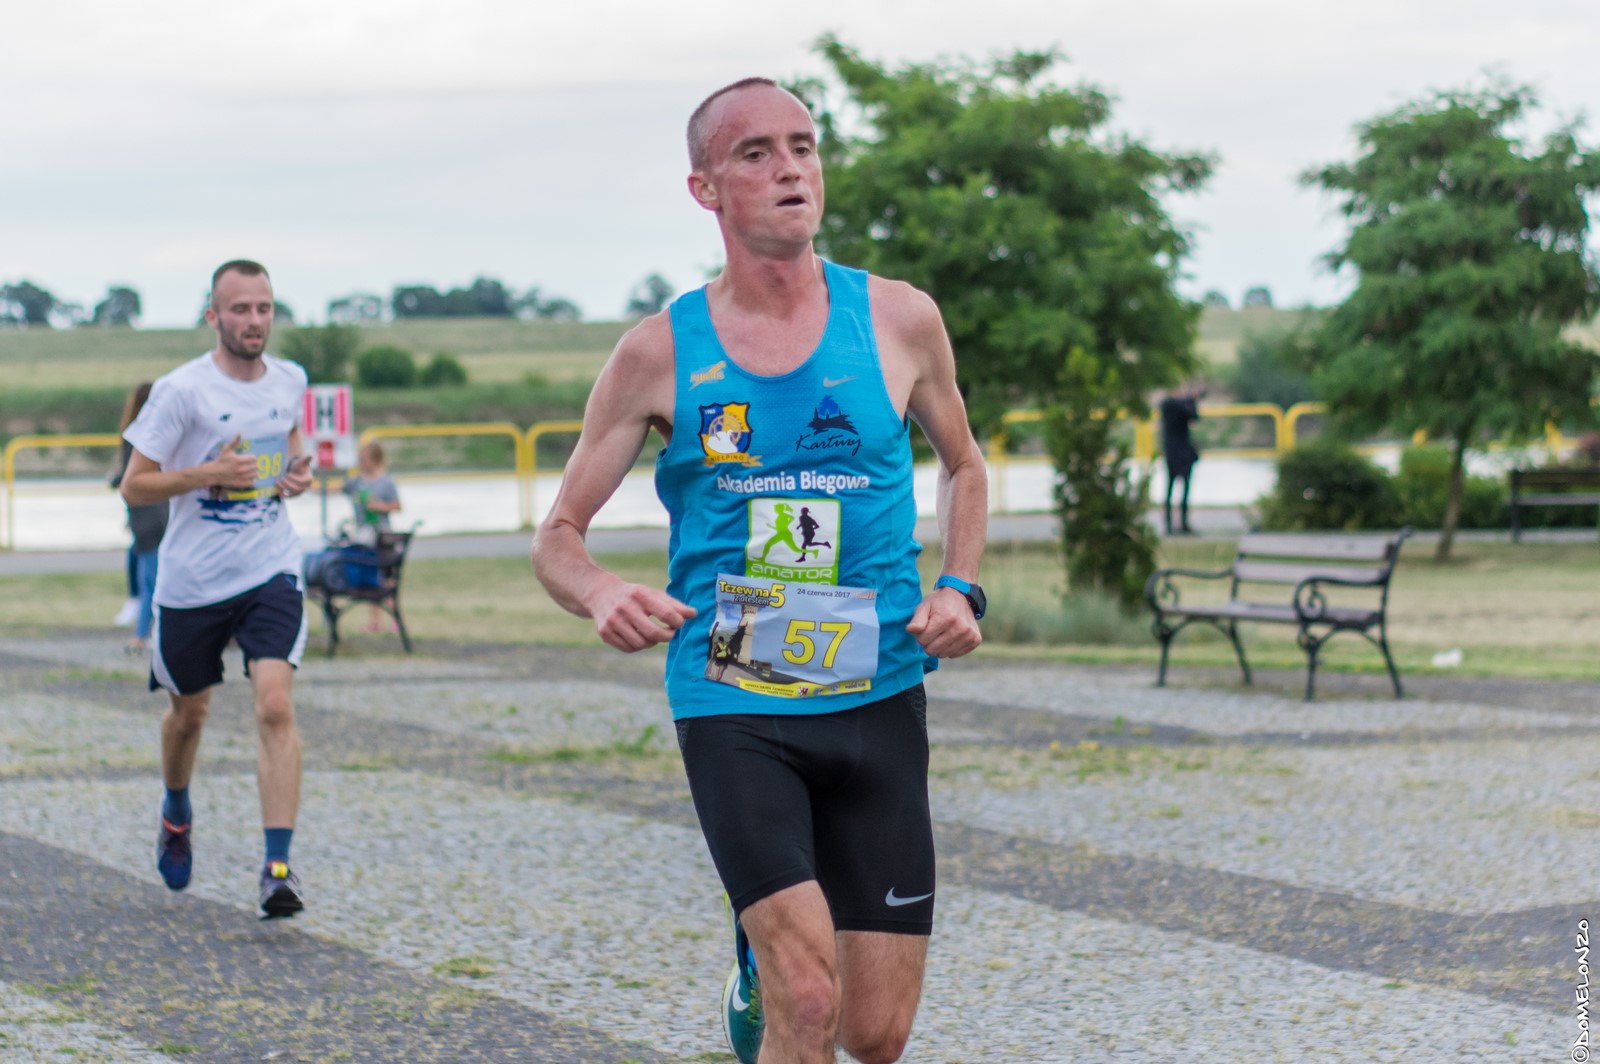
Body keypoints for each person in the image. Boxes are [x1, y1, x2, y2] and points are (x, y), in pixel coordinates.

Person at [532, 78, 988, 1064]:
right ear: (705, 189)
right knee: (810, 1000)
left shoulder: (900, 318)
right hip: (732, 695)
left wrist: (959, 585)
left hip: (878, 688)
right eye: (756, 153)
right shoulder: (658, 351)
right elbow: (558, 533)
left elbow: (964, 464)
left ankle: (755, 963)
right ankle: (771, 968)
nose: (790, 168)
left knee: (876, 1033)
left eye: (803, 145)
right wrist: (601, 590)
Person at [120, 259, 315, 919]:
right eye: (240, 309)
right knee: (189, 716)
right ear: (213, 316)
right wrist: (208, 473)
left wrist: (297, 474)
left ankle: (277, 870)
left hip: (270, 566)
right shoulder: (180, 392)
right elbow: (135, 485)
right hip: (193, 580)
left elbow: (292, 446)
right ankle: (176, 812)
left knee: (275, 706)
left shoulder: (291, 380)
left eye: (264, 308)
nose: (254, 321)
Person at [109, 382, 168, 653]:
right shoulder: (158, 434)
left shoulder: (132, 435)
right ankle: (143, 626)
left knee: (149, 577)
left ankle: (141, 631)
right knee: (149, 573)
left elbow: (127, 478)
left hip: (144, 515)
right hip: (158, 512)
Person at [340, 440, 402, 631]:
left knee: (387, 577)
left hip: (382, 534)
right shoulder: (356, 482)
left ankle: (394, 619)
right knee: (370, 575)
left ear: (376, 459)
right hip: (363, 536)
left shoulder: (386, 482)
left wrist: (380, 506)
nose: (362, 462)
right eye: (360, 459)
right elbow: (339, 488)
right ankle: (374, 622)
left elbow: (397, 505)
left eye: (365, 459)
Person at [1159, 384, 1203, 534]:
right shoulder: (1170, 405)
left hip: (1180, 452)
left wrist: (1191, 400)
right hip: (1175, 452)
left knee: (1182, 487)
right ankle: (1170, 523)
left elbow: (1194, 417)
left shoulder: (1178, 405)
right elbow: (1188, 413)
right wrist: (1190, 400)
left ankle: (1180, 523)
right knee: (1171, 487)